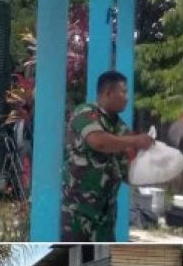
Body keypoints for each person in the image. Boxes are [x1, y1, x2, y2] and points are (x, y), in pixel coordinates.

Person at [61, 70, 155, 241]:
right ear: (108, 93)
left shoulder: (120, 127)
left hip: (105, 218)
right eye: (123, 92)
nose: (127, 98)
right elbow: (99, 142)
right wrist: (135, 141)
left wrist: (157, 166)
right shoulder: (86, 112)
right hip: (78, 213)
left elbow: (128, 172)